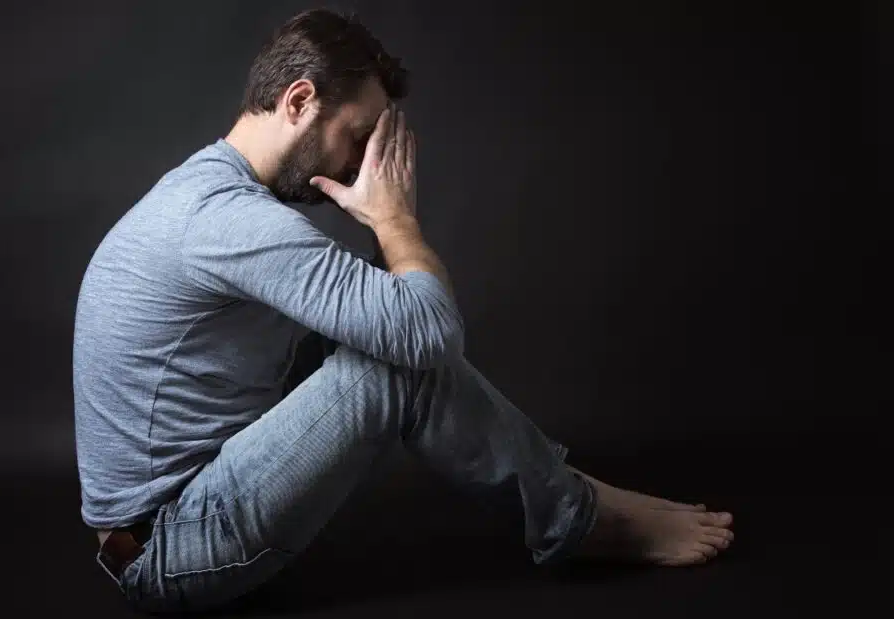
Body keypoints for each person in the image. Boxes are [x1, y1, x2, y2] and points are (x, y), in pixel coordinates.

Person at [72, 8, 734, 614]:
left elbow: (392, 316)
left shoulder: (211, 191)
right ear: (299, 101)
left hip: (182, 509)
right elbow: (428, 335)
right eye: (358, 135)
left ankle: (564, 491)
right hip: (167, 549)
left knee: (381, 336)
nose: (363, 162)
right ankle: (579, 519)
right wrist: (394, 218)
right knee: (394, 362)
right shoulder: (228, 219)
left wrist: (384, 235)